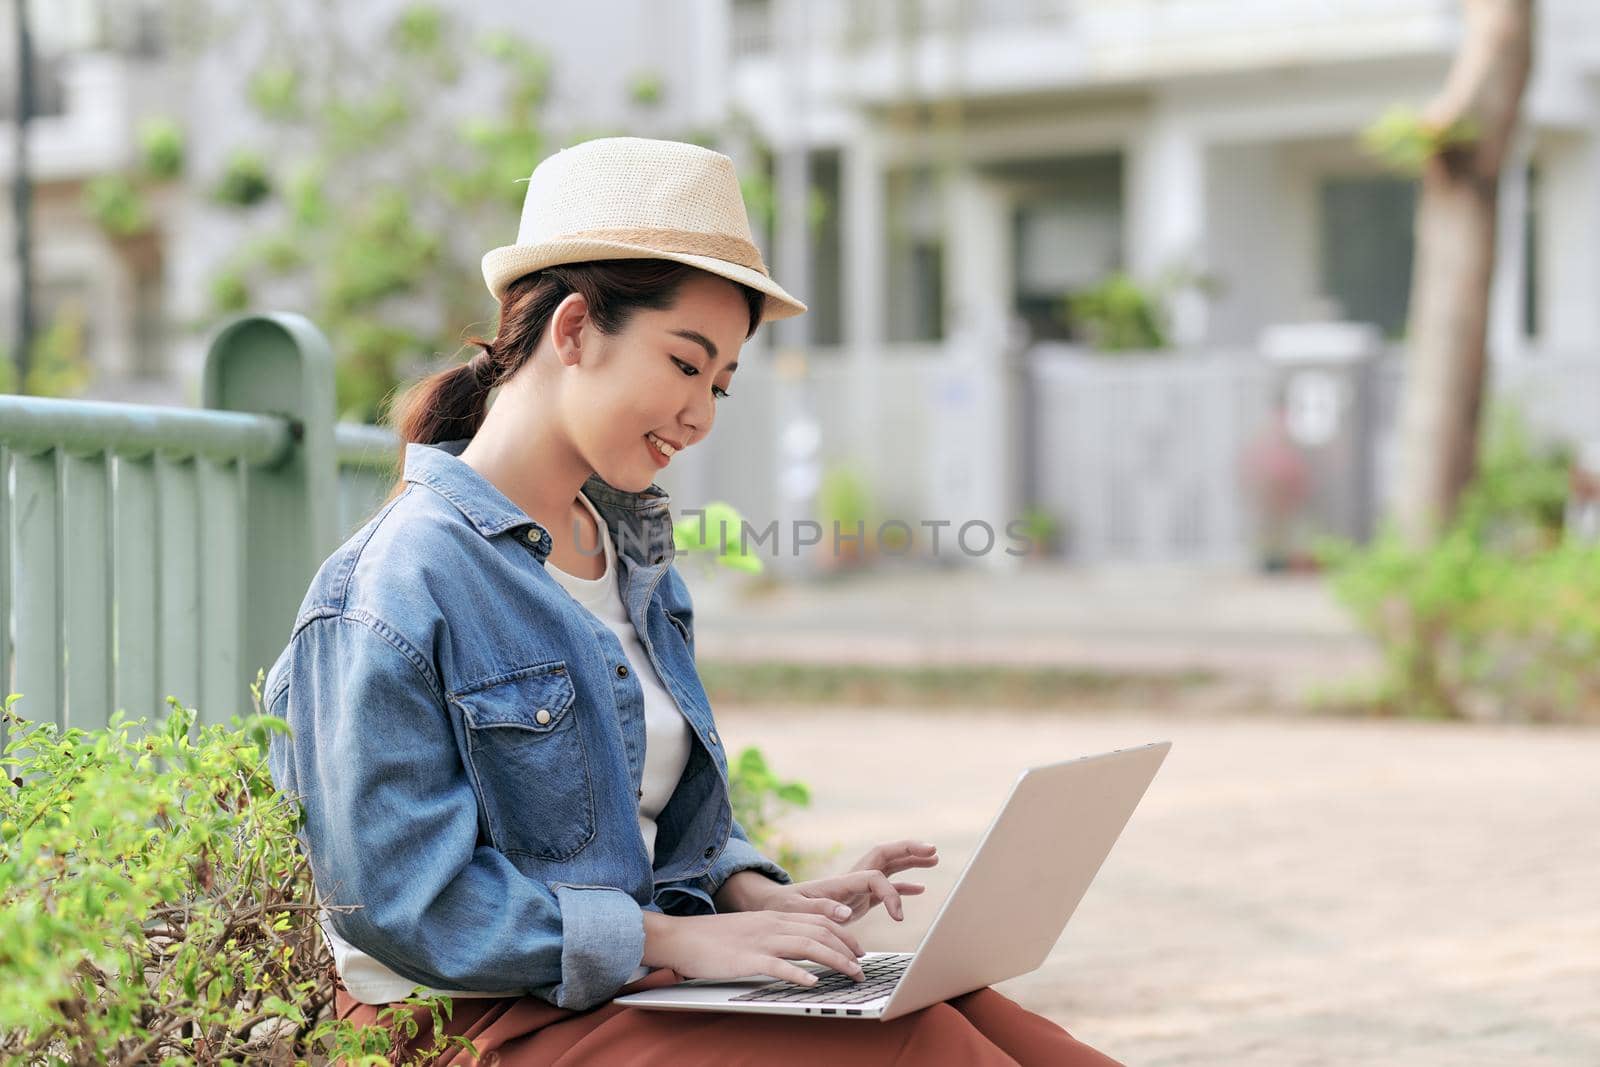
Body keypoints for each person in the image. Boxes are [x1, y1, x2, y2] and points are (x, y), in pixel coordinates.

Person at [263, 137, 1123, 1065]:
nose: (703, 413)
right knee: (926, 1050)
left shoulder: (631, 554)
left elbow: (631, 822)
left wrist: (752, 895)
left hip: (630, 988)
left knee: (996, 1028)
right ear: (574, 331)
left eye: (720, 381)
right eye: (684, 363)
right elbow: (400, 903)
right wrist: (670, 939)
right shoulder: (395, 583)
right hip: (475, 1020)